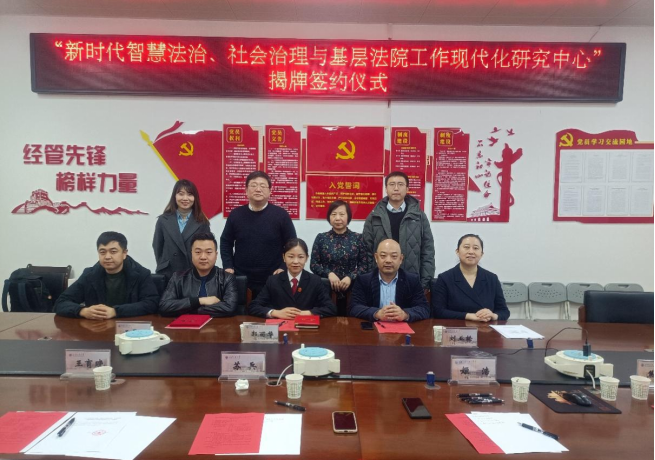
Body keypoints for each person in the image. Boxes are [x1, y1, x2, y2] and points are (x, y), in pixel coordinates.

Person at [220, 171, 297, 298]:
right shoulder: (236, 214)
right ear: (246, 190)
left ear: (270, 191)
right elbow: (225, 242)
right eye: (254, 185)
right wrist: (228, 266)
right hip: (241, 277)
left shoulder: (281, 215)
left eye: (262, 185)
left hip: (273, 277)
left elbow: (292, 244)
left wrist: (284, 267)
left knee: (270, 310)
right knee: (240, 310)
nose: (258, 189)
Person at [55, 232, 159, 319]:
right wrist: (82, 311)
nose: (107, 257)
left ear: (124, 253)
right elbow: (61, 302)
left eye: (113, 252)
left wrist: (115, 311)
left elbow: (152, 303)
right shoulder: (89, 275)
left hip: (130, 328)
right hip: (97, 328)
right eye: (102, 252)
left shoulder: (141, 274)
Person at [362, 171, 435, 289]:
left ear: (407, 189)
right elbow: (366, 251)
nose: (396, 188)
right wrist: (369, 280)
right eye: (392, 184)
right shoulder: (374, 216)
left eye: (400, 184)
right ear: (386, 188)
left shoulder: (419, 216)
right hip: (380, 281)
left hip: (411, 281)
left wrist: (425, 282)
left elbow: (428, 250)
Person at [248, 238, 336, 319]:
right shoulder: (273, 281)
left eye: (300, 257)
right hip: (281, 327)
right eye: (291, 256)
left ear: (306, 258)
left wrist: (307, 313)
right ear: (284, 257)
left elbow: (331, 308)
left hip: (306, 328)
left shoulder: (315, 281)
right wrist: (275, 313)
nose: (295, 261)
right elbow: (253, 306)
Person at [310, 200, 371, 316]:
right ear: (329, 217)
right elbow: (314, 264)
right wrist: (329, 274)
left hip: (352, 289)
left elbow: (364, 266)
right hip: (326, 288)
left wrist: (350, 277)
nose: (338, 218)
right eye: (334, 214)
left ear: (348, 217)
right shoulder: (321, 238)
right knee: (326, 320)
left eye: (342, 214)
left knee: (351, 320)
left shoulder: (358, 238)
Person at [431, 234, 510, 322]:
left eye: (476, 248)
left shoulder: (492, 279)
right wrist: (469, 316)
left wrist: (493, 315)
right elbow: (438, 312)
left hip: (485, 327)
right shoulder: (445, 278)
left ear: (481, 254)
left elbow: (504, 311)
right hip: (456, 327)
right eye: (466, 247)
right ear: (457, 251)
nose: (471, 251)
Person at [350, 239, 430, 323]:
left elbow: (424, 309)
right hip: (374, 328)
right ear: (376, 258)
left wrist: (404, 314)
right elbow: (354, 308)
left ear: (401, 259)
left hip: (402, 328)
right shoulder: (364, 280)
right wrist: (376, 313)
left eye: (394, 256)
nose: (388, 260)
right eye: (383, 256)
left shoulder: (412, 280)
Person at [159, 232, 238, 317]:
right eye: (198, 252)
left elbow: (229, 307)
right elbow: (164, 306)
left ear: (216, 255)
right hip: (186, 325)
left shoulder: (227, 278)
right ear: (191, 254)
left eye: (208, 252)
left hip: (216, 325)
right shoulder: (178, 278)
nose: (203, 257)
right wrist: (199, 301)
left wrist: (193, 309)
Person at [153, 179, 211, 279]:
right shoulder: (163, 220)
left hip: (193, 272)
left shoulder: (202, 222)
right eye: (181, 194)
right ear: (174, 196)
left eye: (190, 194)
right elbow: (157, 246)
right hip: (168, 272)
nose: (185, 198)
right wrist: (163, 264)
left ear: (195, 198)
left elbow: (206, 249)